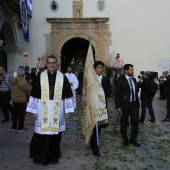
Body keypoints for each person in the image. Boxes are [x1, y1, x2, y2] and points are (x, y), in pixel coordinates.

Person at [26, 55, 74, 165]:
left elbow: (66, 95)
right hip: (42, 108)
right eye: (49, 63)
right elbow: (34, 95)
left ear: (56, 64)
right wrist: (34, 111)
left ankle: (54, 155)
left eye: (54, 63)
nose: (52, 65)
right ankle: (39, 155)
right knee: (40, 133)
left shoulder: (62, 77)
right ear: (46, 64)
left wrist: (67, 111)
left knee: (56, 134)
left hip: (58, 108)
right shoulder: (40, 76)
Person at [82, 44, 110, 157]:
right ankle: (94, 146)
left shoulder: (106, 79)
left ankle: (95, 141)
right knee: (93, 125)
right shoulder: (89, 80)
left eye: (102, 67)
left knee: (99, 127)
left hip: (102, 106)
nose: (101, 69)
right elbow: (84, 91)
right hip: (92, 107)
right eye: (99, 67)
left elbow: (108, 90)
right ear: (94, 69)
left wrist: (100, 94)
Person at [115, 64, 140, 147]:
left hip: (133, 104)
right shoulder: (120, 80)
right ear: (126, 71)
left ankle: (133, 139)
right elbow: (117, 93)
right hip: (125, 105)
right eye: (131, 70)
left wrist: (137, 104)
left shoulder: (133, 79)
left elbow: (135, 92)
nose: (132, 71)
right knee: (124, 123)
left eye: (133, 70)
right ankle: (125, 139)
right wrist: (118, 106)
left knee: (135, 122)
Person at [11, 68, 32, 132]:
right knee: (21, 114)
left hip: (14, 99)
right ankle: (20, 128)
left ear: (17, 73)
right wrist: (30, 84)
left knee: (15, 114)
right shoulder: (24, 82)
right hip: (21, 100)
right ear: (23, 74)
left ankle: (13, 127)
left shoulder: (13, 80)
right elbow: (29, 90)